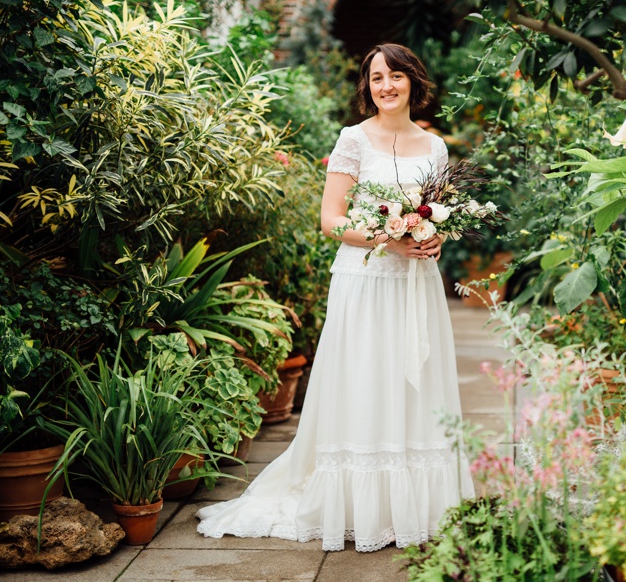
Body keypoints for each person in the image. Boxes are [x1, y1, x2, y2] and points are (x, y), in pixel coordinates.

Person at [196, 43, 475, 552]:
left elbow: (438, 214)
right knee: (365, 380)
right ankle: (354, 503)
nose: (385, 86)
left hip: (415, 286)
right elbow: (332, 220)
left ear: (414, 82)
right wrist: (388, 237)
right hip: (364, 282)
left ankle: (409, 504)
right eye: (375, 78)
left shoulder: (434, 147)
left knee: (413, 387)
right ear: (367, 88)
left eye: (395, 76)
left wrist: (434, 238)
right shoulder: (354, 140)